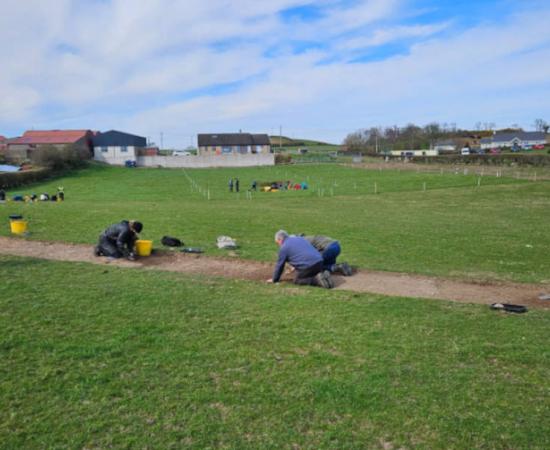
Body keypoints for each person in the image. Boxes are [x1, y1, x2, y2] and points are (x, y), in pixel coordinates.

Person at [267, 230, 333, 288]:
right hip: (320, 261)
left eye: (277, 243)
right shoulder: (299, 238)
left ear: (280, 239)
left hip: (310, 265)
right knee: (309, 272)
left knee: (297, 280)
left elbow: (280, 265)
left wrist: (275, 279)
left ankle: (317, 280)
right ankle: (324, 275)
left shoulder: (284, 248)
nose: (278, 245)